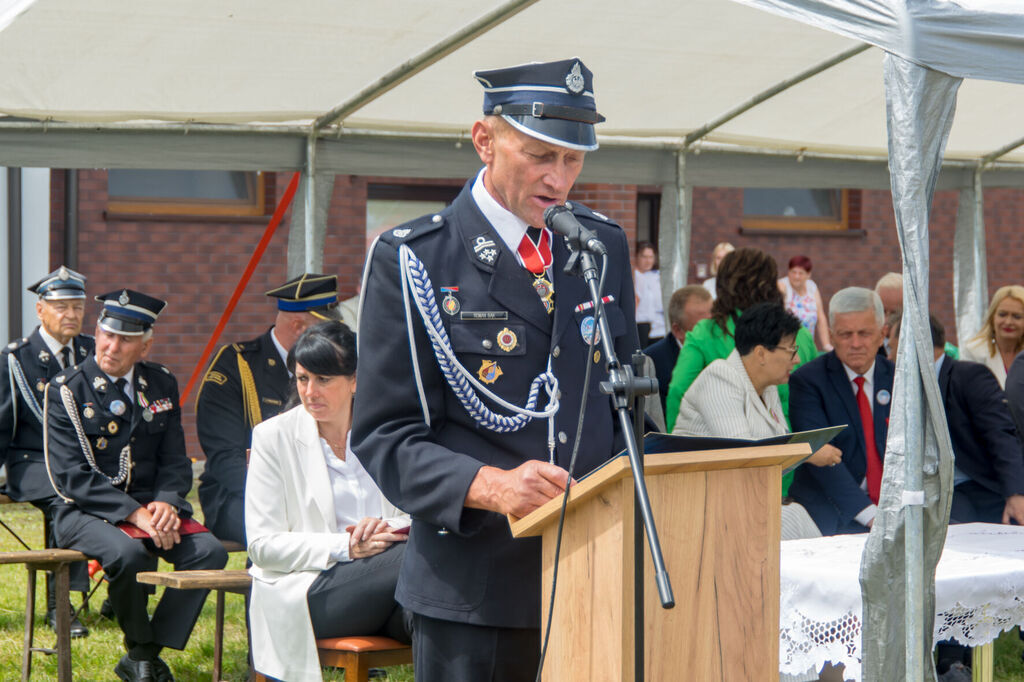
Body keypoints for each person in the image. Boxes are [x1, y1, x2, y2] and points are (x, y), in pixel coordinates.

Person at [351, 58, 641, 681]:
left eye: (572, 160)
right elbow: (384, 435)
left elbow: (625, 402)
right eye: (539, 155)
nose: (558, 178)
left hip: (595, 567)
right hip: (477, 585)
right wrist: (491, 485)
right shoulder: (415, 258)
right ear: (484, 140)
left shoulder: (600, 245)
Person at [44, 289, 228, 682]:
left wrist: (166, 502)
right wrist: (135, 513)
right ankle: (142, 653)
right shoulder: (66, 389)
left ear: (145, 345)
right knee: (129, 555)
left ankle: (147, 649)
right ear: (96, 332)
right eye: (107, 334)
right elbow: (71, 476)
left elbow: (175, 459)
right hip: (83, 512)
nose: (112, 346)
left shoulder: (159, 382)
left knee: (210, 553)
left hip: (150, 509)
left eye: (125, 339)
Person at [246, 321, 410, 682]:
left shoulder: (384, 432)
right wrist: (347, 545)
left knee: (438, 611)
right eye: (303, 378)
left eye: (324, 379)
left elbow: (410, 513)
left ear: (355, 380)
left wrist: (382, 530)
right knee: (424, 557)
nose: (310, 392)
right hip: (310, 594)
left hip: (389, 586)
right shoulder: (272, 438)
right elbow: (262, 546)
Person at [196, 273, 343, 545]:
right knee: (298, 530)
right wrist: (285, 496)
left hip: (320, 489)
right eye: (326, 332)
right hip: (239, 495)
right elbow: (225, 457)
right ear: (300, 327)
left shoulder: (336, 369)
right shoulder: (235, 366)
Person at [673, 302, 836, 539]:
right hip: (700, 510)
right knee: (793, 519)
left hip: (740, 502)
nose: (798, 359)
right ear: (761, 353)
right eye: (791, 350)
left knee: (796, 516)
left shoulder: (767, 387)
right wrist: (807, 451)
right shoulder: (720, 377)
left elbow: (770, 460)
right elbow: (744, 455)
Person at [0, 266, 93, 636]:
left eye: (78, 307)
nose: (71, 315)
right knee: (68, 497)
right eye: (61, 307)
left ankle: (124, 592)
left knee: (135, 492)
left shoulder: (92, 350)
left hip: (86, 460)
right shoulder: (16, 358)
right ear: (40, 310)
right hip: (33, 462)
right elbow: (2, 422)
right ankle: (61, 606)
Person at [665, 247, 817, 433]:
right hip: (797, 445)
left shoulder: (707, 331)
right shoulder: (799, 333)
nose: (795, 359)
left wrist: (676, 446)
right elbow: (816, 391)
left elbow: (679, 390)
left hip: (734, 449)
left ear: (723, 285)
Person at [890, 314, 1024, 525]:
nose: (890, 358)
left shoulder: (969, 376)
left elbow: (1000, 435)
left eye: (893, 349)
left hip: (976, 487)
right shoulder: (897, 386)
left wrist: (1015, 493)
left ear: (914, 344)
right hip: (928, 493)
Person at [787, 287, 893, 535]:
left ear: (882, 334)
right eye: (846, 335)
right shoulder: (808, 381)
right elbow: (821, 457)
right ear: (832, 337)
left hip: (893, 510)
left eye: (864, 333)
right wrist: (870, 516)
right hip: (832, 514)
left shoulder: (902, 378)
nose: (855, 344)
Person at [644, 285, 711, 414]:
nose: (713, 332)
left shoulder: (728, 347)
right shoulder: (651, 365)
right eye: (702, 328)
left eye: (715, 323)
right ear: (678, 331)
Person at [961, 285, 1024, 389]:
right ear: (992, 317)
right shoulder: (973, 352)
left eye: (1017, 316)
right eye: (1002, 315)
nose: (1008, 322)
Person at [778, 255, 830, 351]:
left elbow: (820, 317)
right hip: (788, 346)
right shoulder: (782, 286)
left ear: (808, 274)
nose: (796, 277)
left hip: (808, 344)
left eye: (801, 273)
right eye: (793, 272)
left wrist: (826, 345)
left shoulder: (812, 287)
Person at [634, 242, 664, 348]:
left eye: (651, 257)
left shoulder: (656, 276)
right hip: (639, 325)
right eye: (644, 257)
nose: (648, 261)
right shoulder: (634, 275)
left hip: (658, 328)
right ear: (637, 257)